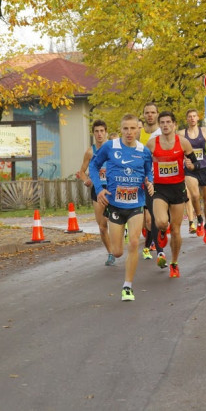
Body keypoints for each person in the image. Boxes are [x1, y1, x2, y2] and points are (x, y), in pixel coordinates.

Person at [89, 114, 154, 301]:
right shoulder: (111, 147)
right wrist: (99, 188)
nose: (129, 132)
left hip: (136, 204)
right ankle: (120, 235)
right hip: (115, 205)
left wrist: (150, 182)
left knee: (134, 242)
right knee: (117, 252)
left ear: (138, 130)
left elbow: (149, 171)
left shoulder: (144, 151)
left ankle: (127, 286)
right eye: (125, 128)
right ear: (121, 129)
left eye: (133, 128)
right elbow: (94, 166)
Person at [145, 111, 198, 277]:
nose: (165, 125)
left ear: (174, 124)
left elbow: (194, 163)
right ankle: (161, 232)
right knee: (161, 222)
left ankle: (174, 263)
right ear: (159, 125)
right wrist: (148, 181)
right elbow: (144, 166)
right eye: (162, 122)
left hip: (177, 189)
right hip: (160, 189)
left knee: (175, 230)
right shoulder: (152, 144)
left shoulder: (183, 143)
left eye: (168, 122)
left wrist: (191, 166)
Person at [77, 120, 115, 266]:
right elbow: (82, 172)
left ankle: (121, 239)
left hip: (112, 189)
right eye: (97, 131)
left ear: (105, 132)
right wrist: (86, 180)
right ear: (94, 134)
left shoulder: (112, 148)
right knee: (102, 225)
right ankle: (111, 253)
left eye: (102, 131)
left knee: (114, 220)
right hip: (97, 190)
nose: (99, 134)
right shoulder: (90, 152)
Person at [181, 108, 206, 244]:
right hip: (190, 170)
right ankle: (199, 219)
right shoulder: (182, 134)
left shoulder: (205, 131)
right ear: (187, 119)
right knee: (195, 196)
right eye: (189, 116)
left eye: (194, 116)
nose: (192, 118)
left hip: (204, 168)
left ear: (198, 118)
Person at [139, 103, 162, 260]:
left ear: (157, 114)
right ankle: (152, 245)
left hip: (162, 179)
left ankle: (155, 247)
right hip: (144, 180)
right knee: (148, 219)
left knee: (157, 217)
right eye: (147, 113)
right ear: (144, 115)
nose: (150, 115)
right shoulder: (138, 134)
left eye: (153, 112)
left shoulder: (163, 132)